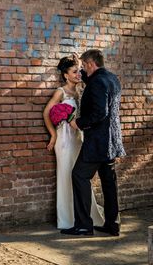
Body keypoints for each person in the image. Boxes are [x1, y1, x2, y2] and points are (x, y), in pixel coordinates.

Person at [64, 49, 125, 237]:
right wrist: (81, 72)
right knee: (108, 182)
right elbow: (97, 88)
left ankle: (83, 225)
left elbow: (100, 112)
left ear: (91, 64)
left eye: (83, 66)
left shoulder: (97, 82)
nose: (82, 70)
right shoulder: (111, 78)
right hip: (112, 141)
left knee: (79, 175)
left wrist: (78, 123)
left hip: (98, 141)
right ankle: (112, 224)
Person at [44, 56, 103, 230]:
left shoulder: (81, 91)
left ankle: (86, 217)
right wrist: (53, 135)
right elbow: (46, 113)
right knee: (66, 176)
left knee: (81, 177)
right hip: (63, 140)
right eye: (75, 71)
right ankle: (68, 219)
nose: (79, 74)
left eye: (79, 70)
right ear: (66, 75)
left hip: (79, 139)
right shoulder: (60, 92)